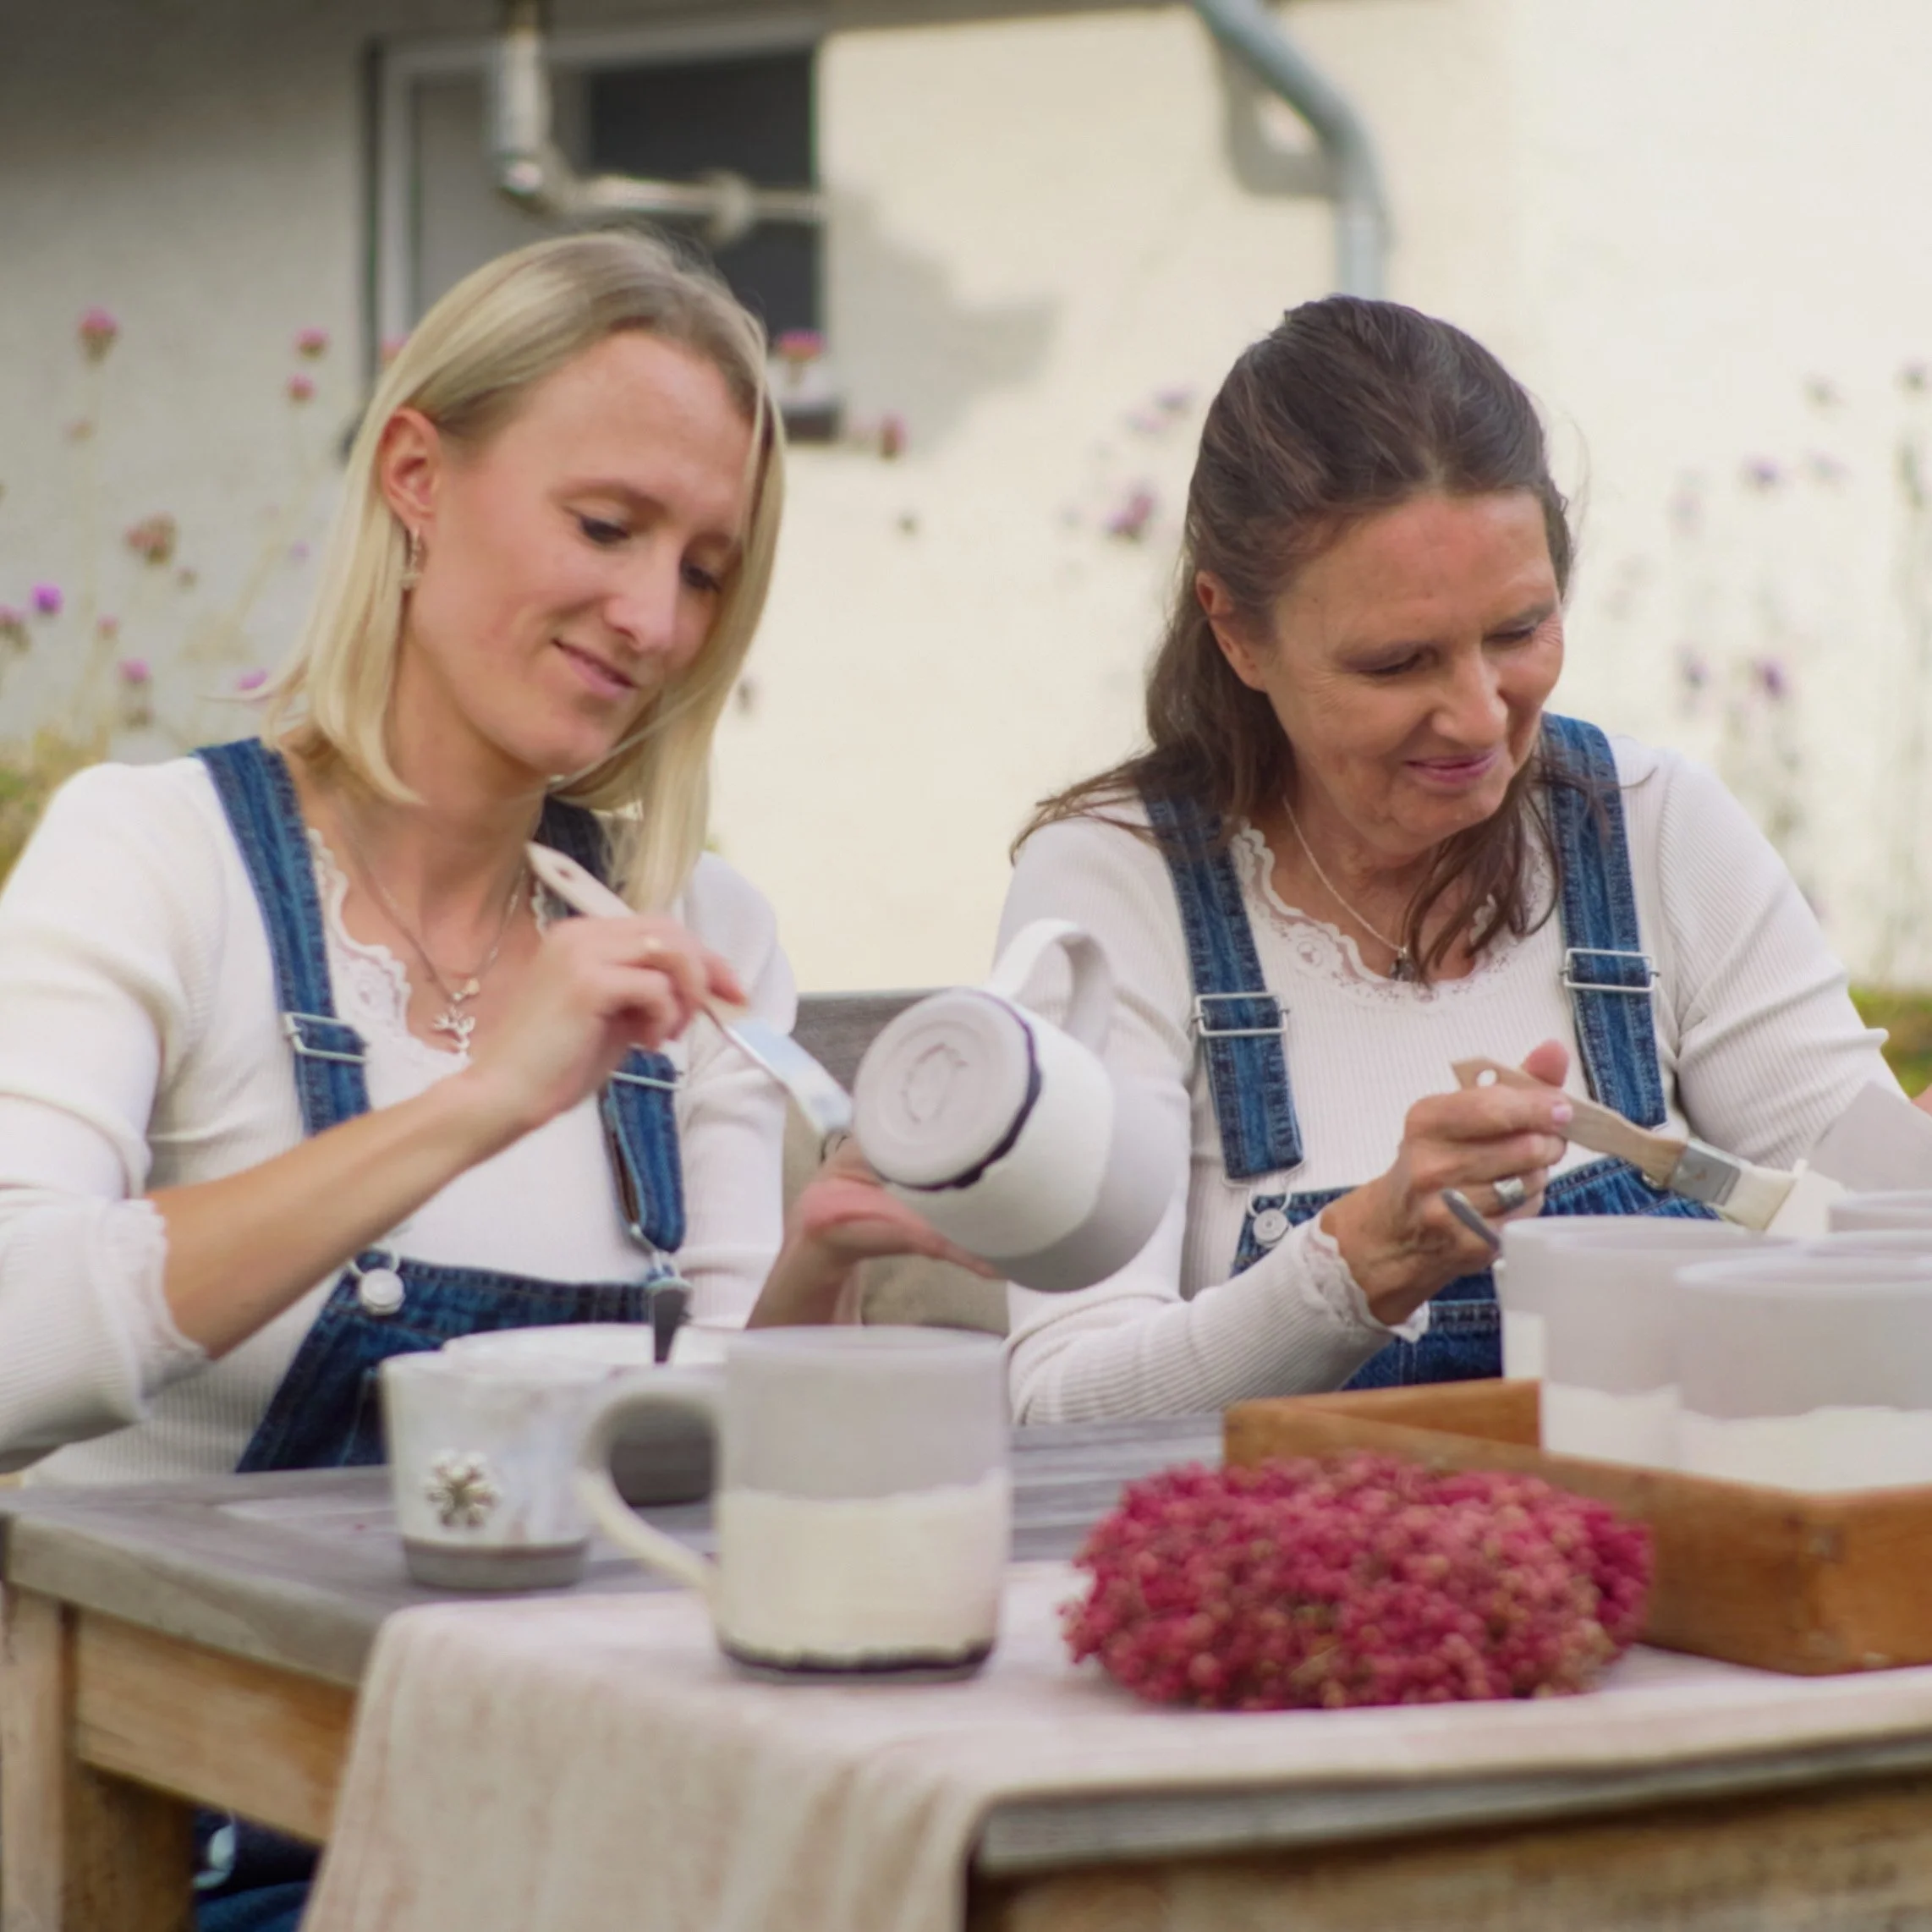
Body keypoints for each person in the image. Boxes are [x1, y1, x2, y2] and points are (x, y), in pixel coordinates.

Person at [0, 233, 976, 1928]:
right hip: (197, 1844)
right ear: (415, 476)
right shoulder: (153, 856)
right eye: (606, 529)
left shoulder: (696, 929)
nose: (652, 617)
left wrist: (825, 1261)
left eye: (701, 569)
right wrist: (477, 1096)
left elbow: (708, 1477)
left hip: (584, 1827)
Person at [997, 296, 1898, 1426]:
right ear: (1236, 632)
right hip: (1308, 1593)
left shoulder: (1652, 826)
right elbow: (1058, 1410)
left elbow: (1875, 1229)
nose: (1478, 718)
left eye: (1519, 632)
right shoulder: (1117, 887)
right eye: (1396, 661)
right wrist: (1355, 1264)